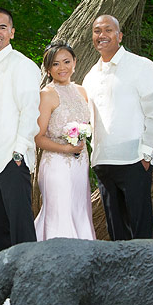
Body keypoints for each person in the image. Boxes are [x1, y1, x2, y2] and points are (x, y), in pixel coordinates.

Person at [82, 15, 153, 240]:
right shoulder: (90, 76)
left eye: (108, 30)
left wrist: (147, 151)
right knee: (115, 228)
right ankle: (121, 273)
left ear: (119, 36)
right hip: (103, 161)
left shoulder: (141, 66)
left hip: (135, 159)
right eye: (97, 31)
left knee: (140, 227)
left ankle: (147, 273)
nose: (102, 35)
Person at [0, 8, 42, 254]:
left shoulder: (23, 66)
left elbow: (30, 111)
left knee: (20, 228)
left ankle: (28, 282)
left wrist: (18, 153)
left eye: (3, 27)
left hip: (12, 158)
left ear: (12, 33)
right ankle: (2, 283)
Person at [33, 43, 95, 240]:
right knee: (60, 212)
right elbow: (38, 137)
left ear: (75, 62)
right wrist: (65, 148)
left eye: (66, 62)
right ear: (49, 69)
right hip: (57, 164)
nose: (62, 68)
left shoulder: (82, 91)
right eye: (55, 64)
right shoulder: (47, 94)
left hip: (80, 162)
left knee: (79, 209)